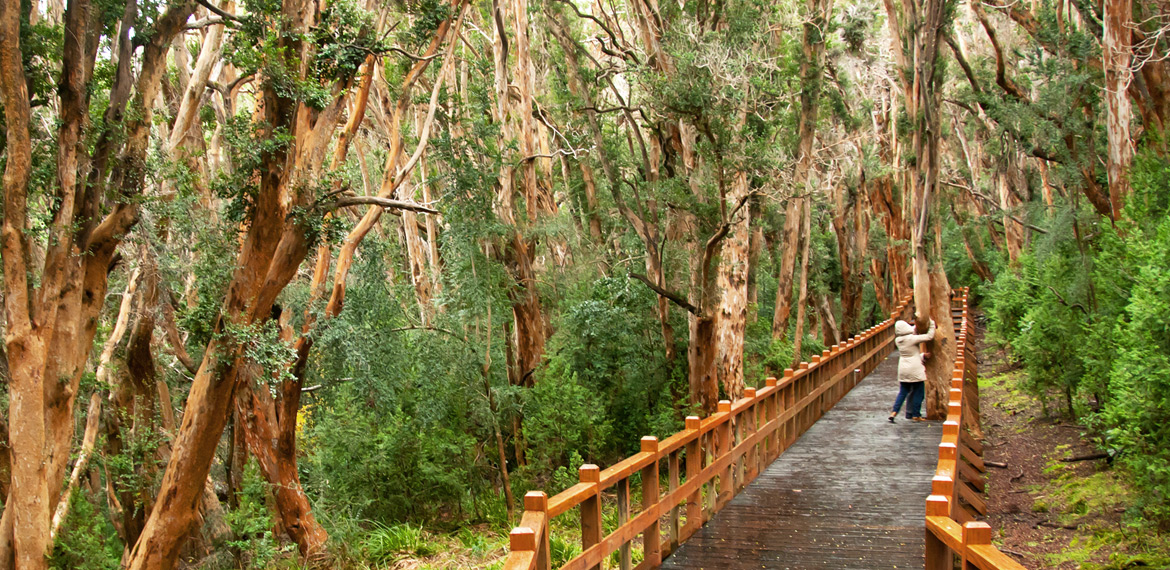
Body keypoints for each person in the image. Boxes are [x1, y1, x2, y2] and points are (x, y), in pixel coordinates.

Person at [889, 318, 936, 423]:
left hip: (903, 368)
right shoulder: (911, 339)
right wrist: (932, 323)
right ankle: (916, 414)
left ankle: (894, 412)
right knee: (919, 392)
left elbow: (911, 351)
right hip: (914, 368)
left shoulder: (898, 340)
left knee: (903, 392)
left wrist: (922, 355)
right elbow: (929, 336)